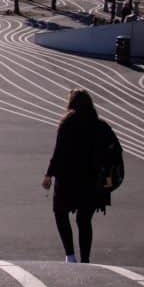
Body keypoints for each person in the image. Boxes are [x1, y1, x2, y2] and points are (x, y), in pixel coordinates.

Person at [42, 89, 118, 264]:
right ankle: (85, 259)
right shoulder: (101, 126)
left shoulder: (67, 124)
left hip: (68, 179)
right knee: (84, 220)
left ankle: (70, 255)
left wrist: (49, 174)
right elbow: (113, 152)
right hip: (93, 180)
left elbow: (58, 152)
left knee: (60, 213)